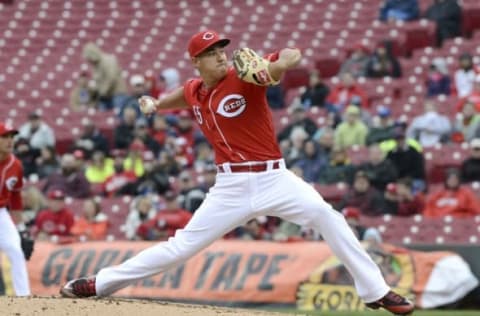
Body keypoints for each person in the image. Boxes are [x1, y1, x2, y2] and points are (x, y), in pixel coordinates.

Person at [60, 29, 414, 315]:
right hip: (229, 186)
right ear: (196, 61)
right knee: (180, 248)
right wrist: (155, 103)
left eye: (221, 49)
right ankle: (100, 283)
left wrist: (270, 67)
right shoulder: (196, 90)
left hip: (275, 178)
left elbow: (291, 55)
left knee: (327, 215)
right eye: (212, 52)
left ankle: (375, 291)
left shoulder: (245, 77)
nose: (221, 55)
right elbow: (181, 96)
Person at [0, 122, 31, 296]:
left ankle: (24, 298)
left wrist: (21, 228)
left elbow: (16, 197)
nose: (9, 141)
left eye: (12, 137)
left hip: (1, 213)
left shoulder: (16, 165)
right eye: (4, 137)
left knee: (16, 250)